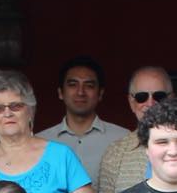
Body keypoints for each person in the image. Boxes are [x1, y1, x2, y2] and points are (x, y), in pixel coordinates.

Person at [38, 55, 130, 185]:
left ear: (100, 94)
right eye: (73, 84)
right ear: (60, 92)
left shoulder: (123, 139)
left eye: (89, 85)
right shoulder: (40, 142)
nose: (80, 92)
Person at [95, 66, 173, 193]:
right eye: (141, 97)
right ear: (131, 102)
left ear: (171, 99)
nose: (150, 103)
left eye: (158, 96)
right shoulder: (115, 152)